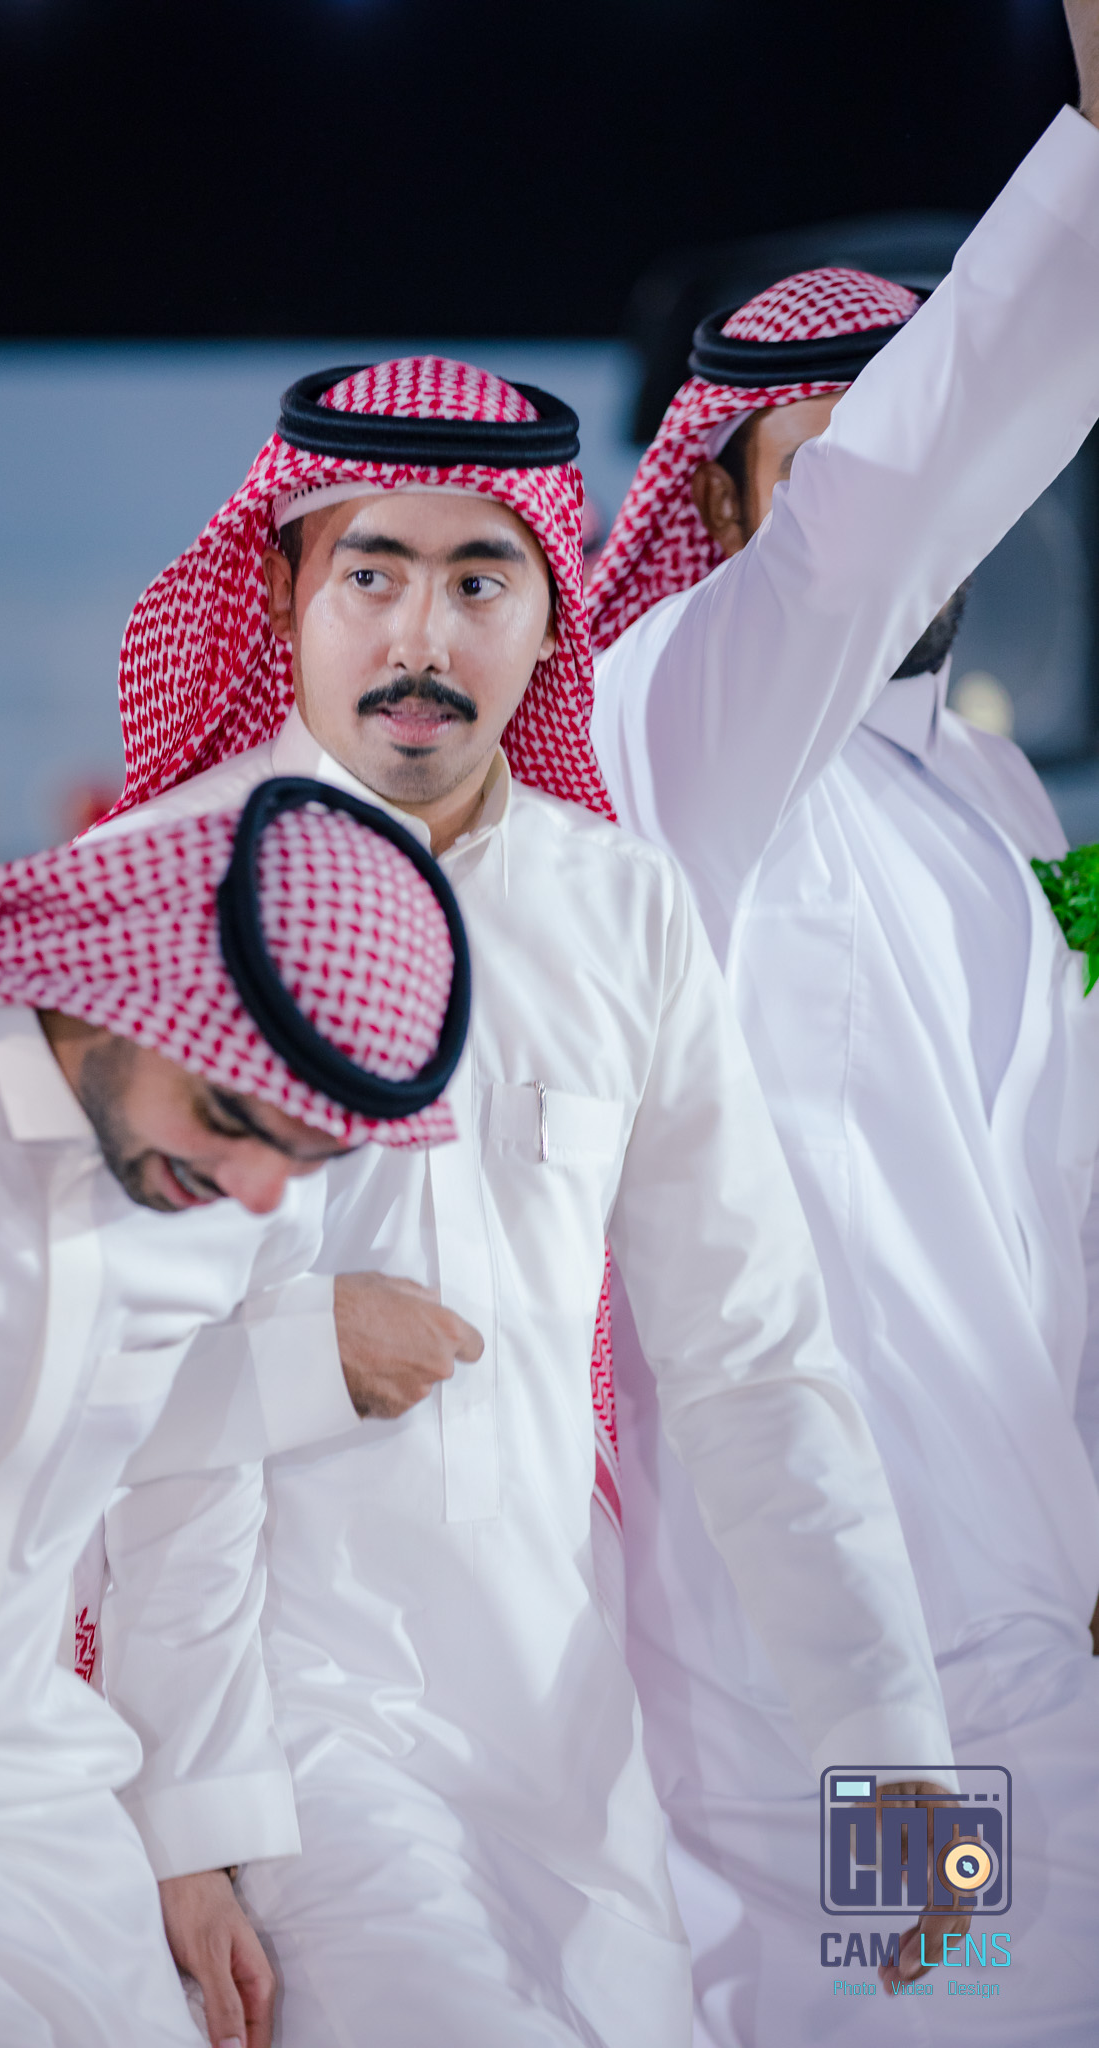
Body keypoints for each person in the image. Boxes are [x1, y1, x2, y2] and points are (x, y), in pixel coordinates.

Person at [85, 354, 959, 2048]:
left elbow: (756, 1360)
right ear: (282, 594)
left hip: (568, 1742)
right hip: (300, 1741)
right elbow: (104, 1401)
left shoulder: (622, 910)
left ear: (555, 616)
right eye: (371, 575)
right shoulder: (172, 892)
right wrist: (190, 1822)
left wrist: (895, 1759)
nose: (421, 637)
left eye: (479, 581)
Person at [587, 23, 1099, 2044]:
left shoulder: (995, 801)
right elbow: (869, 529)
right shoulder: (684, 726)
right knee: (926, 2017)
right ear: (724, 500)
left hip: (1030, 1599)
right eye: (828, 457)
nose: (912, 512)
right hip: (850, 1654)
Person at [0, 780, 472, 2048]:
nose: (259, 1192)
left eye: (308, 1155)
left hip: (50, 1813)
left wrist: (189, 1838)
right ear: (133, 983)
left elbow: (174, 1489)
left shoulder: (237, 1193)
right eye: (231, 1118)